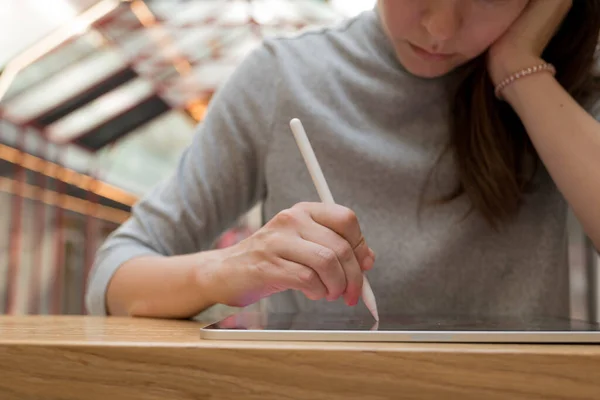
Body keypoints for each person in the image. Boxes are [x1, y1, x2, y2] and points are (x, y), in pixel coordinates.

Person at [86, 0, 600, 320]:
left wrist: (521, 70)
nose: (441, 27)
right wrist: (233, 267)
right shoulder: (282, 78)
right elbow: (114, 278)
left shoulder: (566, 89)